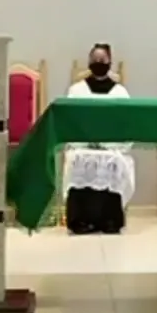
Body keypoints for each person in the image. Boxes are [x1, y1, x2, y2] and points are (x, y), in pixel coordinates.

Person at [63, 43, 133, 234]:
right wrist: (86, 142)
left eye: (102, 60)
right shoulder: (77, 91)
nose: (98, 62)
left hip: (111, 147)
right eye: (94, 59)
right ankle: (79, 220)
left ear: (110, 62)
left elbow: (126, 124)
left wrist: (107, 144)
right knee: (77, 159)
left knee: (114, 161)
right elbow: (70, 121)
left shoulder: (120, 93)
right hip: (82, 145)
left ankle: (110, 220)